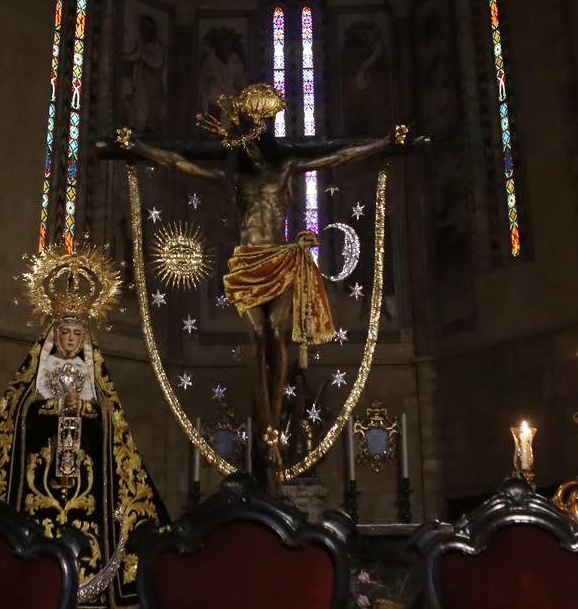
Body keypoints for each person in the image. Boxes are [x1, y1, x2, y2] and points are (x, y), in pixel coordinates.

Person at [114, 83, 418, 486]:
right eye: (247, 137)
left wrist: (383, 144)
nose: (253, 147)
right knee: (258, 337)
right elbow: (179, 164)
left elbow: (338, 156)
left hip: (280, 259)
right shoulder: (233, 178)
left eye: (258, 136)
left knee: (276, 333)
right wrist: (137, 148)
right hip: (246, 263)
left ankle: (272, 421)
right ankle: (268, 422)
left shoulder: (284, 170)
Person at [0, 246, 166, 608]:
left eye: (76, 334)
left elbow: (112, 427)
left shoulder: (95, 377)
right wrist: (53, 407)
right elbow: (16, 419)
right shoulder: (35, 376)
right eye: (65, 333)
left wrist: (86, 409)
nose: (70, 339)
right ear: (55, 334)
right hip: (37, 480)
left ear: (84, 337)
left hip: (88, 484)